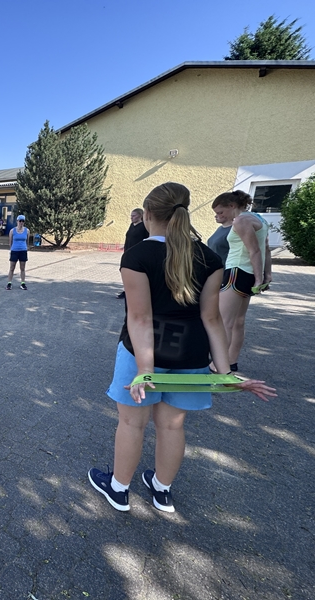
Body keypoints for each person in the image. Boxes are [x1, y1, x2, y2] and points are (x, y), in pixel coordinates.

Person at [88, 182, 275, 514]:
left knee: (132, 424)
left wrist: (146, 371)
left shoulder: (137, 256)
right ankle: (162, 491)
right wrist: (226, 371)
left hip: (142, 351)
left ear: (148, 214)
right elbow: (212, 319)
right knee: (172, 425)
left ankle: (119, 489)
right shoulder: (209, 258)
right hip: (190, 353)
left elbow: (141, 318)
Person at [214, 190, 272, 373]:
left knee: (224, 322)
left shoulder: (240, 221)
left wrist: (259, 279)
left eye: (221, 212)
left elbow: (255, 250)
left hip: (236, 272)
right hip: (246, 274)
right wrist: (266, 274)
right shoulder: (259, 219)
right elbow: (266, 248)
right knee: (238, 321)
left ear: (232, 206)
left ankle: (218, 366)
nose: (220, 216)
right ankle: (231, 361)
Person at [117, 208, 150, 299]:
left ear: (140, 216)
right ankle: (126, 290)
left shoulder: (144, 227)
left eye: (134, 215)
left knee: (134, 272)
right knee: (124, 271)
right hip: (128, 252)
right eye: (131, 216)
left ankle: (134, 291)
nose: (131, 217)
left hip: (137, 254)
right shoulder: (132, 225)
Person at [6, 215, 29, 290]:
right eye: (20, 221)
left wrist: (26, 248)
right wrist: (12, 249)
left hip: (23, 251)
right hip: (14, 251)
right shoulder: (12, 231)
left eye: (23, 221)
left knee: (22, 268)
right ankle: (9, 283)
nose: (21, 223)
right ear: (17, 221)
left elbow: (27, 241)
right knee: (12, 267)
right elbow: (10, 242)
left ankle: (23, 283)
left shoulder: (27, 231)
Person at [207, 200, 233, 265]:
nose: (216, 216)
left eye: (220, 213)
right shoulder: (220, 228)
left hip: (224, 266)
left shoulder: (233, 230)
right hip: (213, 266)